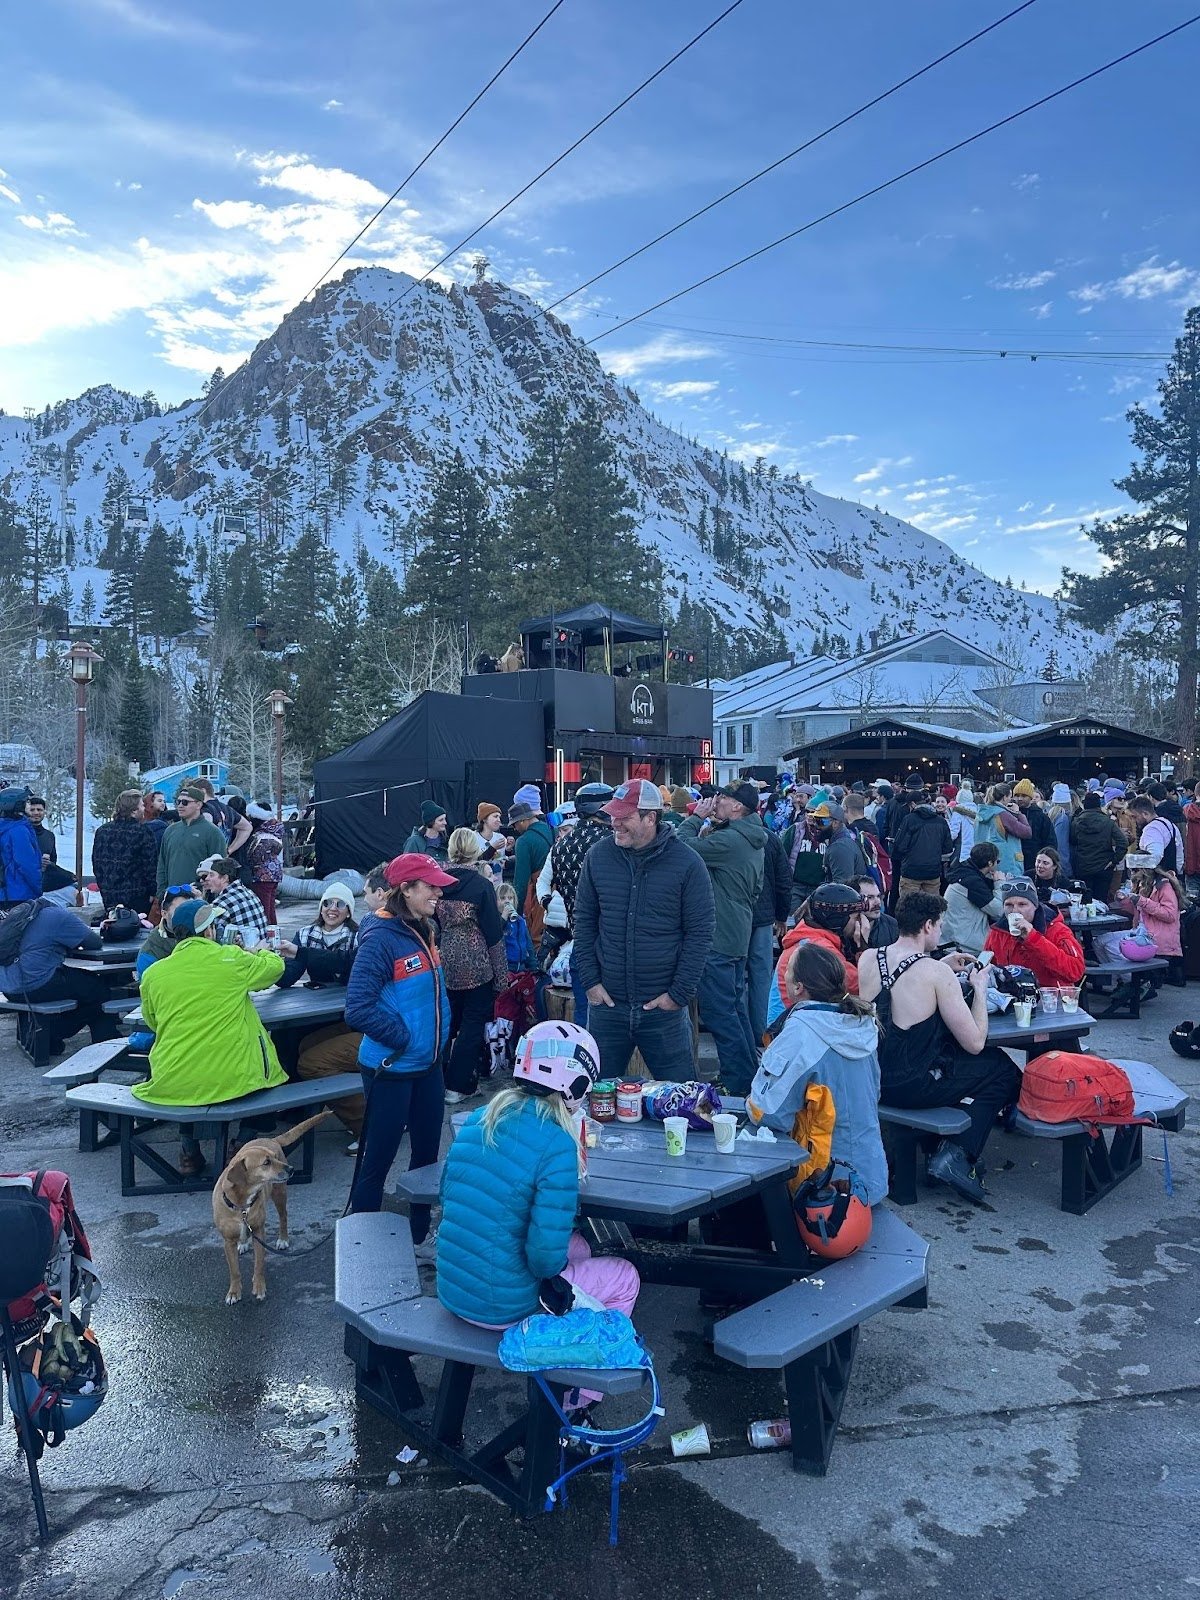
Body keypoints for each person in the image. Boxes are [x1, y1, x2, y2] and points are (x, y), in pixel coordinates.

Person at [436, 1022, 640, 1412]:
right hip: (503, 1306)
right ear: (574, 1086)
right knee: (625, 1276)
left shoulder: (478, 1119)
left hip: (455, 1288)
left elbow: (448, 1196)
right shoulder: (557, 1144)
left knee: (580, 1247)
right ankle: (579, 1396)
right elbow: (544, 1261)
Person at [858, 891, 1020, 1205]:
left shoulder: (868, 958)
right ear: (928, 925)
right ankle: (957, 1154)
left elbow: (900, 981)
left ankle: (938, 1144)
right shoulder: (936, 974)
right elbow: (975, 1042)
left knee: (968, 1063)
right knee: (1003, 1071)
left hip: (874, 1079)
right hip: (913, 1085)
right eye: (940, 925)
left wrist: (938, 964)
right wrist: (979, 989)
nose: (941, 931)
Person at [573, 779, 714, 1082]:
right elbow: (583, 922)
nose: (614, 823)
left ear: (650, 818)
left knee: (681, 1097)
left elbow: (700, 933)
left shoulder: (687, 863)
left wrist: (677, 995)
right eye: (613, 814)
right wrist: (590, 982)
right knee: (593, 1097)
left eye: (624, 817)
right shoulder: (598, 857)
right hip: (608, 1005)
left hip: (663, 1011)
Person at [135, 900, 287, 1177]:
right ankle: (242, 1143)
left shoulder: (154, 974)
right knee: (268, 1079)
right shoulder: (231, 959)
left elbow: (152, 1021)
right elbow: (275, 968)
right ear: (208, 931)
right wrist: (258, 952)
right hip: (236, 1077)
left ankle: (189, 1152)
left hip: (173, 1079)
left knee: (187, 1080)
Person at [345, 853, 454, 1234]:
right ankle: (362, 1241)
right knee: (377, 1160)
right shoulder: (380, 939)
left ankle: (419, 1234)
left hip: (427, 1064)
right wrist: (404, 1040)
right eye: (431, 886)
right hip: (391, 1067)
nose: (439, 892)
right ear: (405, 890)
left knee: (427, 1158)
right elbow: (357, 1009)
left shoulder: (423, 927)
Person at [751, 941, 888, 1206]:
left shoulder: (801, 1033)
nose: (783, 974)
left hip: (824, 1190)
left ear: (798, 987)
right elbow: (876, 1092)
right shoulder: (861, 1022)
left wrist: (750, 1100)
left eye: (787, 969)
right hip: (871, 1177)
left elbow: (769, 1113)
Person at [677, 782, 766, 1094]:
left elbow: (681, 847)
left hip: (720, 936)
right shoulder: (751, 836)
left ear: (738, 806)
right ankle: (744, 1074)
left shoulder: (731, 840)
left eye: (723, 798)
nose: (716, 802)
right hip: (736, 931)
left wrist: (695, 818)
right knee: (734, 1009)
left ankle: (736, 1081)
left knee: (719, 1012)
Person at [436, 828, 508, 1104]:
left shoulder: (438, 882)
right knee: (472, 1025)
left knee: (447, 1022)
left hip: (445, 960)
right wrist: (501, 977)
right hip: (477, 964)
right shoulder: (480, 885)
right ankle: (457, 1085)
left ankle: (440, 1079)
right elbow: (494, 935)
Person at [0, 897, 121, 1056]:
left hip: (8, 987)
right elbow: (94, 942)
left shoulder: (24, 913)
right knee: (98, 989)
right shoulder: (58, 915)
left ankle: (48, 1033)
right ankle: (103, 1040)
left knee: (81, 984)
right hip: (35, 984)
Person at [546, 782, 613, 1028]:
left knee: (584, 1019)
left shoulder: (560, 847)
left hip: (579, 942)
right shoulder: (612, 842)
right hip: (612, 945)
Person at [768, 883, 866, 1025]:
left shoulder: (809, 937)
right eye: (856, 917)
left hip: (794, 1020)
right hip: (791, 1027)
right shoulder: (820, 948)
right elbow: (861, 986)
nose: (859, 922)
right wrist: (863, 945)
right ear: (838, 919)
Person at [982, 878, 1086, 989]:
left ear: (1035, 906)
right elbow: (986, 967)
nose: (1015, 910)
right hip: (1012, 995)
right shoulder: (998, 932)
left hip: (1049, 995)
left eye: (1022, 904)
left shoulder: (1057, 930)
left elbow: (1075, 971)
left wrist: (1034, 938)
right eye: (1009, 905)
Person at [748, 817, 791, 1041]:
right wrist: (781, 916)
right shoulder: (771, 839)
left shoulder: (723, 836)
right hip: (763, 917)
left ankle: (743, 1034)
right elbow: (784, 880)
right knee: (761, 977)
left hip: (734, 919)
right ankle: (760, 1033)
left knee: (735, 979)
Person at [278, 882, 358, 988]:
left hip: (350, 995)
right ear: (321, 909)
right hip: (317, 996)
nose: (333, 908)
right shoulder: (305, 935)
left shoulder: (357, 937)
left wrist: (300, 952)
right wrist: (271, 960)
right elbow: (287, 978)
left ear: (349, 913)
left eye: (341, 904)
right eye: (327, 903)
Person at [156, 785, 227, 901]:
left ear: (198, 805)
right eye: (178, 802)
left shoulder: (213, 832)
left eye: (185, 802)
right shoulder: (170, 830)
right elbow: (162, 864)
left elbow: (220, 869)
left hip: (199, 898)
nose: (180, 805)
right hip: (172, 896)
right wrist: (161, 892)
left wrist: (208, 896)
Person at [92, 790, 159, 913]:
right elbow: (150, 866)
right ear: (134, 810)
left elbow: (97, 864)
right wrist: (153, 892)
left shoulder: (102, 831)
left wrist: (104, 889)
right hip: (137, 896)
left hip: (109, 895)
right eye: (142, 805)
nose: (144, 809)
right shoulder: (143, 832)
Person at [1116, 865, 1184, 981]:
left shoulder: (1164, 886)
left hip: (1154, 938)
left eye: (1135, 870)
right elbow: (1139, 912)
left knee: (1115, 946)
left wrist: (1142, 901)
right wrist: (1124, 900)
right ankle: (1125, 980)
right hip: (1140, 931)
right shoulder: (1141, 884)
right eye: (1131, 870)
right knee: (1100, 942)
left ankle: (1131, 981)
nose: (1132, 874)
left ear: (1145, 870)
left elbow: (1170, 915)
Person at [941, 842, 1004, 955]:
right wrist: (999, 883)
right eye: (997, 862)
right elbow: (998, 911)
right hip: (965, 944)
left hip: (951, 938)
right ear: (990, 863)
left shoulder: (963, 873)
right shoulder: (972, 882)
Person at [890, 789, 953, 898]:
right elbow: (947, 848)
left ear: (913, 804)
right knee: (931, 905)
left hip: (911, 871)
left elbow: (900, 846)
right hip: (933, 871)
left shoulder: (909, 819)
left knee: (909, 904)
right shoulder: (941, 821)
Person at [1069, 791, 1129, 903]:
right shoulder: (1108, 822)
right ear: (1098, 805)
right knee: (1101, 902)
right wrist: (1114, 860)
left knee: (1084, 901)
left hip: (1083, 866)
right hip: (1104, 866)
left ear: (1085, 805)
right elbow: (1123, 843)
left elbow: (1072, 841)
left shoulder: (1076, 822)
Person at [199, 856, 269, 944]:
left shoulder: (222, 903)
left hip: (245, 951)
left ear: (224, 878)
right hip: (262, 948)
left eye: (211, 875)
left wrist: (198, 900)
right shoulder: (249, 892)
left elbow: (208, 936)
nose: (207, 878)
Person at [24, 796, 76, 906]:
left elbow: (53, 861)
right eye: (32, 810)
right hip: (23, 886)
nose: (36, 813)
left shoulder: (49, 836)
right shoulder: (21, 833)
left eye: (39, 809)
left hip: (43, 889)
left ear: (44, 812)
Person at [973, 783, 1031, 880]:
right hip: (1007, 863)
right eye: (1010, 797)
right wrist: (1018, 813)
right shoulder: (1002, 814)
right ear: (1004, 797)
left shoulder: (981, 813)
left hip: (984, 863)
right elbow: (1027, 832)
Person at [808, 799, 868, 885]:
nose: (815, 825)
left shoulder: (840, 847)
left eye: (820, 821)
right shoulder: (844, 838)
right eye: (814, 820)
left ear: (835, 823)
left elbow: (842, 888)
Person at [0, 787, 42, 909]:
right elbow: (27, 864)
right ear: (17, 805)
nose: (29, 805)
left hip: (5, 892)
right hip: (19, 893)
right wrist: (39, 888)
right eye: (26, 802)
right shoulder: (19, 830)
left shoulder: (5, 827)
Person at [242, 801, 284, 922]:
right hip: (274, 873)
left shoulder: (260, 835)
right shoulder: (274, 830)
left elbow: (254, 856)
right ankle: (273, 930)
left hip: (261, 876)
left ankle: (266, 930)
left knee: (263, 909)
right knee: (270, 908)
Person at [510, 800, 554, 915]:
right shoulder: (554, 829)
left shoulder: (523, 841)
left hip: (541, 898)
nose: (515, 828)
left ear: (522, 820)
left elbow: (521, 882)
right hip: (561, 894)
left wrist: (516, 911)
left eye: (514, 824)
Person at [1128, 793, 1185, 874]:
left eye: (1134, 817)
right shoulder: (1168, 823)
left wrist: (1130, 861)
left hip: (1159, 878)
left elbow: (1154, 858)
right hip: (1173, 875)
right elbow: (1179, 858)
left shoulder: (1152, 829)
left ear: (1145, 814)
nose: (1133, 820)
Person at [1011, 780, 1057, 876]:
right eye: (1017, 795)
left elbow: (1050, 841)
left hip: (1034, 861)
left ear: (1030, 797)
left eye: (1024, 796)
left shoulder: (1041, 817)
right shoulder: (1009, 814)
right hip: (1013, 860)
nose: (1019, 798)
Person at [852, 874, 898, 950]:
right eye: (870, 897)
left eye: (878, 896)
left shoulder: (892, 925)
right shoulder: (846, 929)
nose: (877, 902)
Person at [474, 802, 507, 884]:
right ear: (484, 819)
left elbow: (503, 860)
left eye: (499, 817)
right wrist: (492, 848)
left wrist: (509, 849)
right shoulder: (473, 838)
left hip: (498, 885)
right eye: (495, 816)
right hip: (480, 884)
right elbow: (474, 863)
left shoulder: (501, 837)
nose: (499, 820)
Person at [1047, 783, 1075, 875]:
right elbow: (1062, 846)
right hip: (1062, 866)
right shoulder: (1063, 818)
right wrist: (1066, 868)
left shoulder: (1051, 816)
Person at [950, 782, 977, 862]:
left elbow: (953, 833)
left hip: (962, 849)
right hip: (976, 848)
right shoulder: (978, 811)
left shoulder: (958, 811)